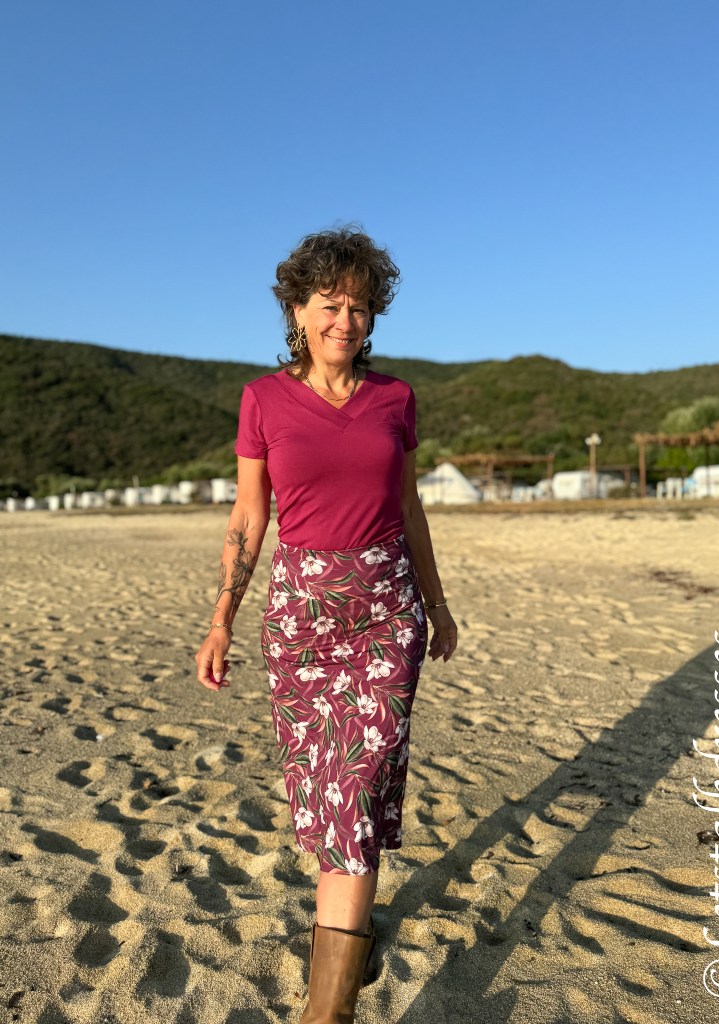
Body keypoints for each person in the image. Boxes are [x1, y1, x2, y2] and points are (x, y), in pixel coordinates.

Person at [195, 226, 458, 1023]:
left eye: (361, 306)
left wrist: (437, 604)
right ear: (298, 311)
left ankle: (326, 1012)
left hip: (386, 612)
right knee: (326, 800)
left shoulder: (396, 399)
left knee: (356, 787)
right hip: (301, 619)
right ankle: (351, 940)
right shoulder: (263, 400)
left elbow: (409, 506)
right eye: (330, 304)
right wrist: (222, 618)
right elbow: (249, 516)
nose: (346, 320)